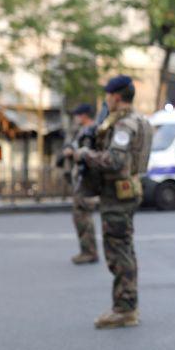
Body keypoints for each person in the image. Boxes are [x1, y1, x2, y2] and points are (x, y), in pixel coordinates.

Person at [73, 75, 153, 329]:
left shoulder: (124, 125)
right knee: (124, 248)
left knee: (118, 251)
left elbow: (115, 161)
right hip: (126, 191)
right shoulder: (137, 120)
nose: (106, 99)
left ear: (116, 97)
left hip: (118, 194)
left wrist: (86, 155)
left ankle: (124, 309)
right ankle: (128, 304)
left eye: (108, 95)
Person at [59, 102, 100, 264]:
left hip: (87, 180)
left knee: (83, 216)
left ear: (84, 115)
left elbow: (89, 154)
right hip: (81, 180)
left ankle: (89, 251)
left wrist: (73, 152)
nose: (75, 118)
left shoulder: (91, 132)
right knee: (80, 216)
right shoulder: (83, 131)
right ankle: (87, 250)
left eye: (77, 115)